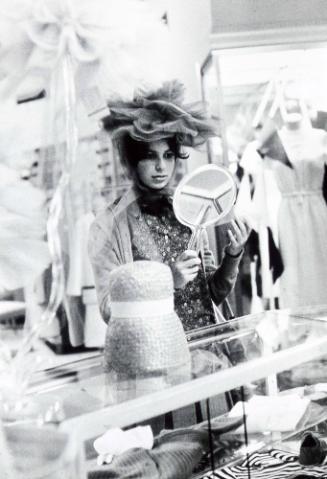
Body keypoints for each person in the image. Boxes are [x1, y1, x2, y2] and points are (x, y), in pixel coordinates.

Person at [88, 80, 250, 332]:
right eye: (150, 156)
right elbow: (110, 309)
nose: (162, 167)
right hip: (157, 352)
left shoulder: (189, 210)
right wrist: (168, 281)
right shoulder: (108, 225)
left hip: (208, 345)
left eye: (168, 155)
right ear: (132, 161)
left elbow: (210, 295)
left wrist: (232, 255)